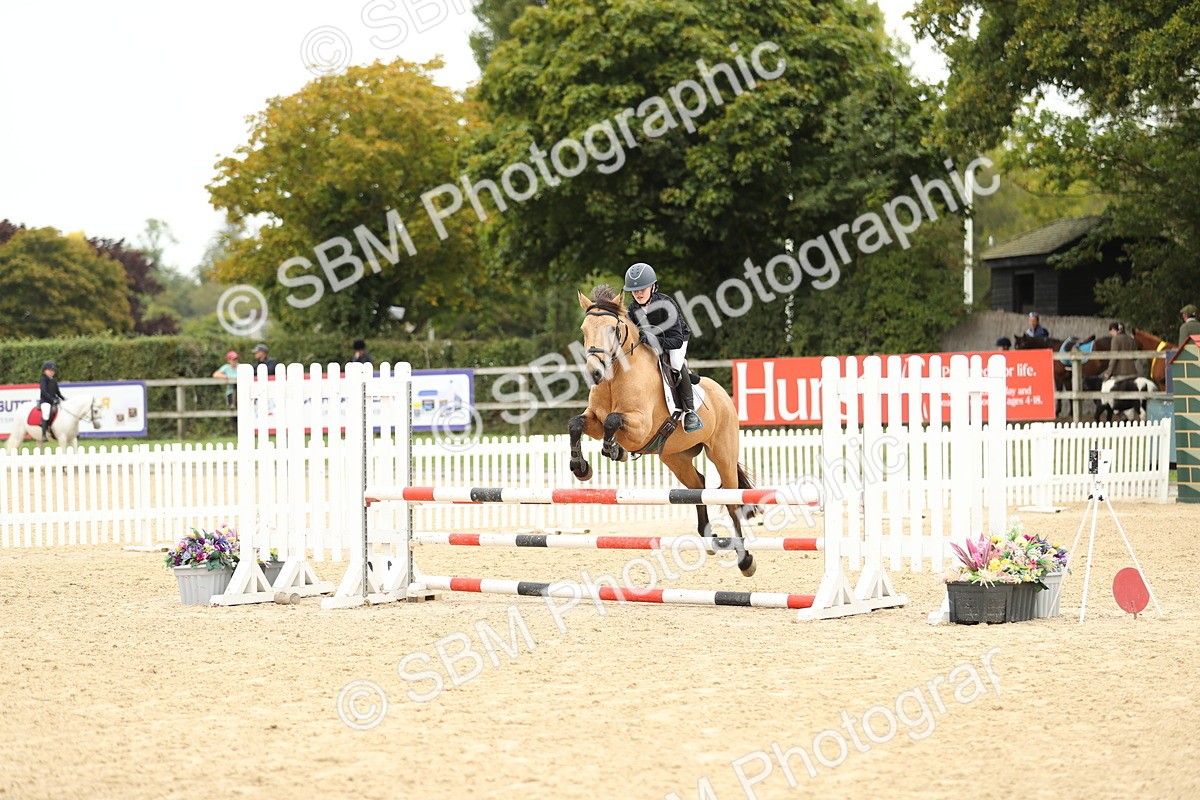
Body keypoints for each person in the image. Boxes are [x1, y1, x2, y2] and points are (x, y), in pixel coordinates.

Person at [623, 262, 703, 433]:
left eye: (642, 289)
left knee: (674, 363)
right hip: (650, 342)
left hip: (676, 339)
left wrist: (653, 340)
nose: (638, 293)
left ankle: (690, 411)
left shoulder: (666, 305)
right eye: (634, 290)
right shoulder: (633, 308)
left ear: (653, 287)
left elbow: (676, 341)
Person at [38, 360, 66, 441]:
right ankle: (43, 434)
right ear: (44, 371)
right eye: (49, 370)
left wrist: (63, 398)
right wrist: (52, 399)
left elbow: (57, 391)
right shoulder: (43, 379)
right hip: (45, 401)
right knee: (46, 412)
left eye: (53, 371)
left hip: (54, 400)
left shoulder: (54, 379)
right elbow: (43, 392)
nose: (51, 372)